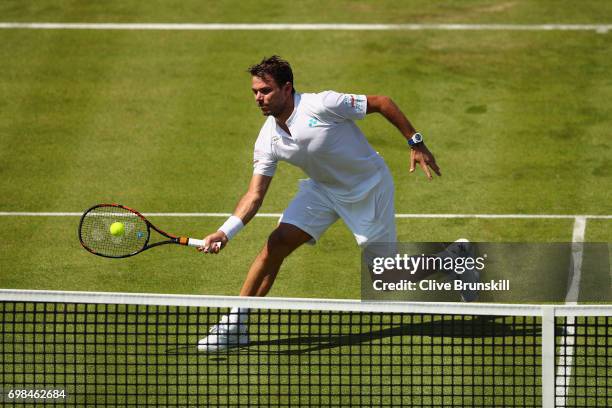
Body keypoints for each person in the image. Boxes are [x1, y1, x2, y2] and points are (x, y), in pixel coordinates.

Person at [197, 56, 478, 352]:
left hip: (368, 188)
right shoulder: (268, 138)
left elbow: (382, 102)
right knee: (276, 243)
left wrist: (415, 142)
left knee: (387, 278)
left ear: (287, 88)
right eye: (255, 91)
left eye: (265, 90)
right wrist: (225, 232)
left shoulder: (323, 104)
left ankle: (451, 259)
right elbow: (255, 195)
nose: (258, 98)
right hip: (323, 190)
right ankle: (235, 323)